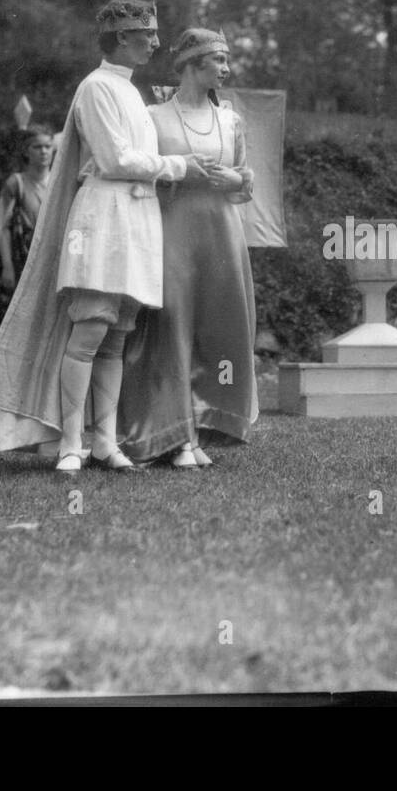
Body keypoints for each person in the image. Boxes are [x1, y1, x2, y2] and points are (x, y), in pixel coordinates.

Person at [0, 0, 204, 473]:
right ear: (121, 38)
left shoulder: (132, 94)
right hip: (102, 217)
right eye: (148, 35)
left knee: (117, 335)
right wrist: (179, 165)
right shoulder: (96, 88)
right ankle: (70, 443)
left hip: (136, 220)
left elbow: (133, 162)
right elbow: (115, 161)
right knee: (90, 329)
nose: (156, 43)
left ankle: (104, 440)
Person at [116, 27, 258, 469]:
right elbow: (143, 175)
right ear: (193, 65)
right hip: (172, 229)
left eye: (226, 60)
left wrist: (231, 179)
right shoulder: (154, 117)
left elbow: (244, 181)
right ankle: (173, 434)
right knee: (171, 327)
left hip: (222, 234)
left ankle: (203, 427)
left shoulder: (231, 119)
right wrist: (180, 174)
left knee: (221, 328)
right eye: (219, 61)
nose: (226, 68)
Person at [0, 124, 54, 324]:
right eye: (37, 147)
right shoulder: (16, 183)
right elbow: (2, 227)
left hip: (53, 259)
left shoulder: (59, 182)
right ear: (26, 151)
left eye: (47, 146)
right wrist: (7, 266)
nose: (43, 151)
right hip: (23, 260)